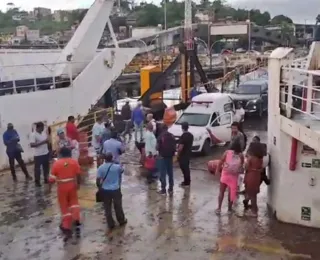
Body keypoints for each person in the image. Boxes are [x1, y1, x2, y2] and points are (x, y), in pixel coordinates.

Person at [49, 147, 81, 240]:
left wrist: (49, 188)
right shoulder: (74, 162)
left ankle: (66, 226)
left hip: (62, 187)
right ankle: (76, 219)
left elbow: (51, 179)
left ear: (61, 154)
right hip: (72, 185)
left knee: (64, 206)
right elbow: (78, 174)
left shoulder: (57, 163)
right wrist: (78, 184)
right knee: (74, 203)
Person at [97, 152, 127, 230]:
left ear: (104, 159)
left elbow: (98, 180)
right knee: (118, 206)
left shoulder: (101, 168)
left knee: (107, 207)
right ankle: (121, 220)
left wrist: (100, 188)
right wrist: (121, 166)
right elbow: (122, 171)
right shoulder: (117, 167)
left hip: (105, 190)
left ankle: (110, 224)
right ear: (112, 158)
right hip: (115, 189)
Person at [215, 141, 244, 214]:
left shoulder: (227, 152)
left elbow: (221, 161)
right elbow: (241, 166)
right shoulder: (241, 155)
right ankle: (229, 209)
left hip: (225, 174)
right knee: (231, 193)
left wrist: (217, 170)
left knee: (221, 192)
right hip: (234, 176)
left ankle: (219, 208)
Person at [243, 142, 264, 217]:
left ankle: (254, 211)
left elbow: (246, 167)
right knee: (254, 194)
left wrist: (246, 162)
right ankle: (254, 209)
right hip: (257, 176)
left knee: (252, 195)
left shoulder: (251, 158)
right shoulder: (260, 159)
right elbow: (261, 169)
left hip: (250, 176)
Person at [157, 124, 176, 195]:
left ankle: (163, 190)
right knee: (170, 173)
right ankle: (171, 189)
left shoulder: (160, 136)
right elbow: (175, 145)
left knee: (163, 174)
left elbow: (157, 147)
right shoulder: (172, 135)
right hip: (170, 157)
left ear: (162, 129)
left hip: (162, 157)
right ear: (167, 129)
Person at [30, 122, 50, 187]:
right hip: (38, 155)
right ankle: (37, 181)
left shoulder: (44, 133)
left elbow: (47, 141)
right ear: (39, 127)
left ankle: (46, 179)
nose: (43, 129)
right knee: (37, 169)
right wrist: (43, 142)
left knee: (46, 168)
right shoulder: (33, 135)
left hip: (45, 153)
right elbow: (32, 145)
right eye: (42, 127)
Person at [177, 122, 194, 187]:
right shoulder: (191, 135)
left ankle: (186, 182)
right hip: (188, 153)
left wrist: (178, 154)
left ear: (182, 128)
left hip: (183, 155)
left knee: (184, 168)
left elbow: (181, 147)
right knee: (187, 168)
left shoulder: (183, 136)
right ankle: (187, 181)